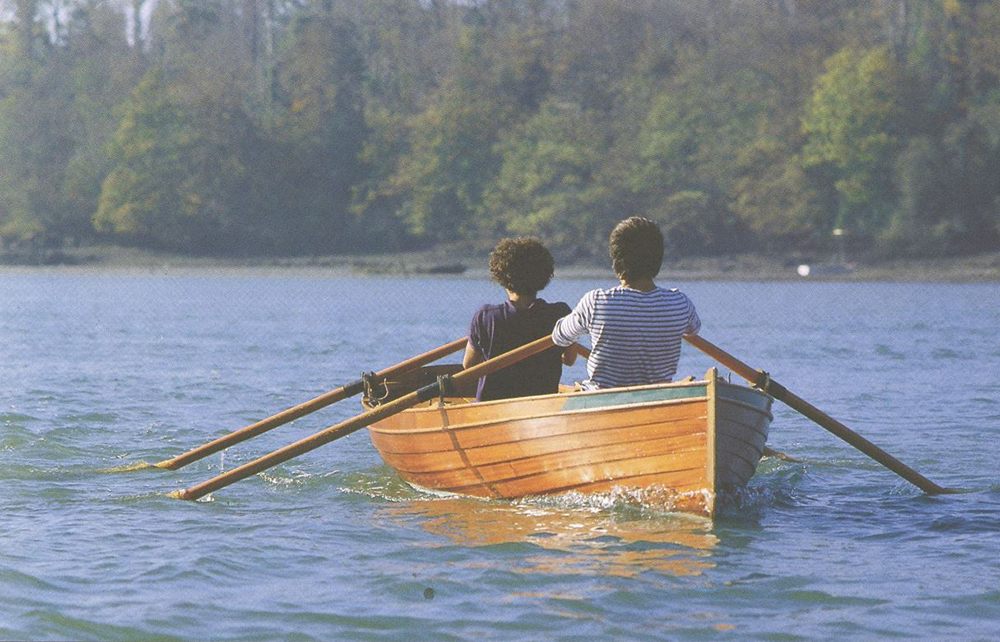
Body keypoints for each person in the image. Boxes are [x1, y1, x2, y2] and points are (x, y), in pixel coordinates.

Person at [551, 217, 700, 389]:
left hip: (602, 397)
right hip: (657, 396)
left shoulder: (596, 302)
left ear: (616, 259)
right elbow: (693, 330)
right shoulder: (680, 303)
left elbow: (559, 337)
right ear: (658, 258)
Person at [464, 238, 573, 402]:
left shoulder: (486, 316)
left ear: (502, 277)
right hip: (540, 408)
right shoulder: (560, 313)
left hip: (491, 409)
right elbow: (569, 359)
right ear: (543, 276)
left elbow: (469, 366)